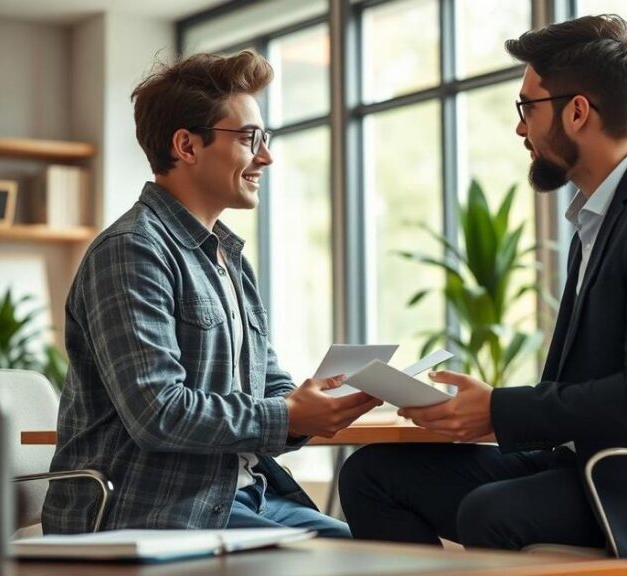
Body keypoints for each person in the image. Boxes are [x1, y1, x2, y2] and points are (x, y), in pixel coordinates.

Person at [338, 14, 627, 576]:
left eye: (526, 108)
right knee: (372, 475)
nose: (519, 129)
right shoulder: (601, 216)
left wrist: (497, 410)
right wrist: (482, 414)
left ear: (577, 111)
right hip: (586, 464)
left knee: (492, 511)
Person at [42, 50, 381, 537]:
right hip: (155, 512)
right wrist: (287, 414)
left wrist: (309, 407)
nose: (266, 156)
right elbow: (157, 412)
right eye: (249, 139)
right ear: (187, 146)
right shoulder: (131, 251)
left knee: (364, 548)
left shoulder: (229, 258)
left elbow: (269, 383)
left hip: (241, 496)